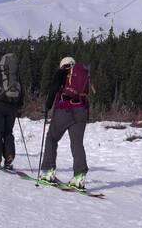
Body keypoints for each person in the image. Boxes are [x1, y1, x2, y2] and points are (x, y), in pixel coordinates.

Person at [40, 57, 90, 189]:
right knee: (77, 144)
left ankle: (47, 172)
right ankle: (79, 178)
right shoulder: (83, 75)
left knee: (51, 138)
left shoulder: (62, 72)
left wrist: (47, 107)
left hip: (65, 109)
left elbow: (54, 89)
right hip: (82, 111)